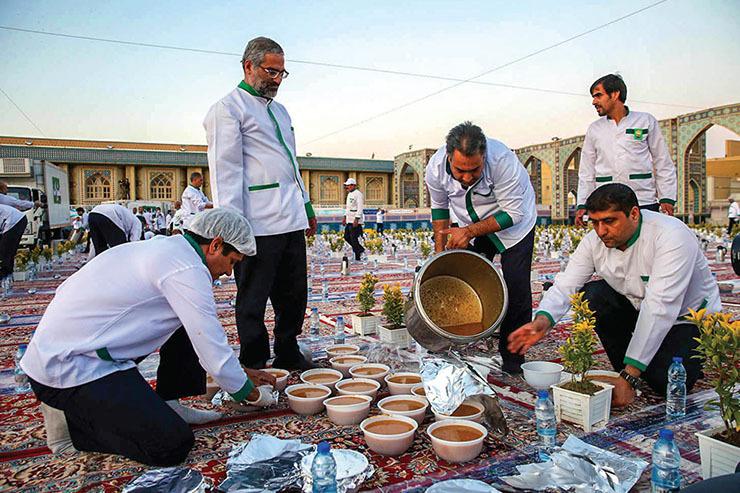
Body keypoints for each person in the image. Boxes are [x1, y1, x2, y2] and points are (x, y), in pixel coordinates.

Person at [20, 209, 276, 466]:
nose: (229, 273)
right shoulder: (186, 270)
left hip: (79, 347)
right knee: (171, 444)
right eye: (232, 262)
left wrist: (241, 371)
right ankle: (72, 428)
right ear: (216, 244)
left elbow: (202, 337)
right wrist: (252, 395)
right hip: (71, 366)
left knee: (186, 323)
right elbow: (212, 348)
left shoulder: (169, 248)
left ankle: (169, 402)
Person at [508, 184, 721, 407]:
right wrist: (542, 322)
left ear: (634, 214)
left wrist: (630, 376)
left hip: (686, 317)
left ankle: (635, 371)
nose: (601, 231)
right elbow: (566, 285)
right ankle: (628, 366)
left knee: (666, 382)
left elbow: (660, 308)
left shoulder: (671, 236)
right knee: (593, 295)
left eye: (609, 221)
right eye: (595, 222)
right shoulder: (594, 241)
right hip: (637, 307)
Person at [204, 36, 317, 370]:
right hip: (256, 224)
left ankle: (287, 350)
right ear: (248, 66)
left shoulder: (279, 111)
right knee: (253, 298)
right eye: (271, 71)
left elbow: (290, 164)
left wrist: (306, 207)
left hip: (290, 219)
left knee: (293, 294)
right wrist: (233, 230)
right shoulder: (227, 109)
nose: (277, 79)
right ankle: (253, 359)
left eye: (282, 73)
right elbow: (225, 173)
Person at [425, 121, 537, 374]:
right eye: (459, 170)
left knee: (516, 288)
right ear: (448, 156)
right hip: (469, 223)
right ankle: (455, 337)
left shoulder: (503, 162)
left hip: (514, 226)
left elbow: (513, 214)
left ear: (484, 156)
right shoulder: (434, 169)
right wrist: (440, 250)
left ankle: (512, 357)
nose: (466, 177)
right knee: (460, 278)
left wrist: (469, 232)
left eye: (474, 170)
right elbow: (440, 208)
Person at [575, 74, 677, 227]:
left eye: (598, 96)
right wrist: (582, 204)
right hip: (606, 201)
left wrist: (667, 197)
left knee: (646, 246)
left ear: (615, 94)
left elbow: (662, 161)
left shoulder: (645, 121)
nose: (594, 102)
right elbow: (586, 170)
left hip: (642, 199)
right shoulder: (595, 129)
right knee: (611, 246)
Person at [0, 204, 29, 278]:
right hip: (16, 219)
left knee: (5, 250)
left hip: (15, 221)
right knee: (8, 250)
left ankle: (4, 275)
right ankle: (7, 274)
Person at [343, 178, 365, 261]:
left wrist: (357, 218)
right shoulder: (349, 194)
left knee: (353, 238)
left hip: (355, 220)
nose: (347, 187)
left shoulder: (358, 194)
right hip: (349, 219)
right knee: (346, 237)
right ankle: (360, 249)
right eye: (346, 185)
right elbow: (348, 207)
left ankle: (357, 256)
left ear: (353, 185)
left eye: (348, 185)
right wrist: (344, 217)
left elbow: (360, 207)